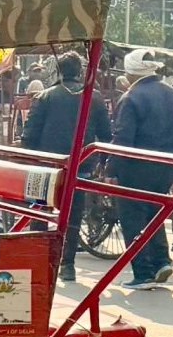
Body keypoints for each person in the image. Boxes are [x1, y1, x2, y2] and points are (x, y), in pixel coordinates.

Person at [23, 53, 112, 284]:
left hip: (45, 168)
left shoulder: (45, 97)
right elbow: (106, 135)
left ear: (59, 71)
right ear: (80, 72)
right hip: (79, 167)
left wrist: (29, 160)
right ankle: (68, 265)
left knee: (39, 213)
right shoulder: (95, 98)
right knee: (72, 217)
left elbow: (29, 135)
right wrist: (101, 163)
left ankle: (39, 260)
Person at [109, 58, 173, 289]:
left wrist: (112, 168)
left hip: (137, 167)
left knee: (132, 218)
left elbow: (123, 138)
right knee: (155, 214)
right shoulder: (172, 94)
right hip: (168, 165)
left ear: (131, 73)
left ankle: (142, 273)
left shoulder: (131, 97)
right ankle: (161, 261)